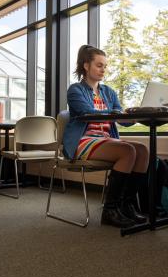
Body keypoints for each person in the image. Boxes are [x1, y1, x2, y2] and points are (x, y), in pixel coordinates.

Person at [63, 45, 149, 228]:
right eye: (99, 65)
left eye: (105, 66)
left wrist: (139, 114)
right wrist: (118, 113)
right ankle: (110, 211)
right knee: (127, 151)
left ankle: (127, 205)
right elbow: (88, 112)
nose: (104, 70)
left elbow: (122, 120)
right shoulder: (75, 90)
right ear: (86, 66)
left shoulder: (108, 92)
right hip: (83, 140)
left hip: (105, 140)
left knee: (142, 150)